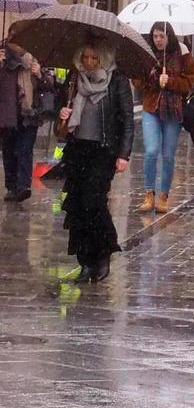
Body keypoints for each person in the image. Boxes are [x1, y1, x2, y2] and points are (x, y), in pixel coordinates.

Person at [58, 41, 134, 283]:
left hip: (103, 151)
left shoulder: (117, 80)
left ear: (103, 58)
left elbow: (127, 120)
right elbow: (60, 110)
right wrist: (63, 113)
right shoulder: (74, 79)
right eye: (86, 58)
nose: (89, 63)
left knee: (94, 201)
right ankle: (85, 260)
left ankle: (102, 252)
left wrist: (123, 154)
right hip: (78, 149)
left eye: (94, 58)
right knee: (77, 205)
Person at [133, 20, 194, 215]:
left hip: (172, 111)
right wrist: (153, 78)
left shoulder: (183, 55)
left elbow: (189, 82)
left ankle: (163, 196)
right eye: (155, 36)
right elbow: (137, 80)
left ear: (169, 37)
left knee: (168, 155)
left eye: (162, 36)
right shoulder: (147, 54)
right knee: (151, 151)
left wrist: (170, 81)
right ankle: (149, 193)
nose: (158, 40)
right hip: (151, 108)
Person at [0, 37, 42, 202]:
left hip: (28, 114)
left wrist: (39, 73)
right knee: (9, 152)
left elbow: (48, 86)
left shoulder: (33, 59)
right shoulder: (3, 59)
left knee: (24, 150)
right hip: (7, 113)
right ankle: (11, 187)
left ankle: (23, 186)